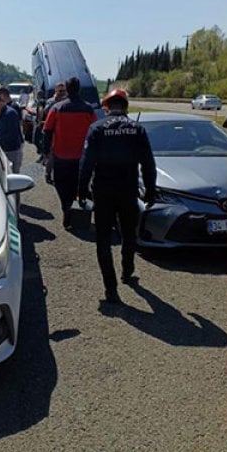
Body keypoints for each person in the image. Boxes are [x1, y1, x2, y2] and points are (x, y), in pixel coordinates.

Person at [78, 89, 156, 304]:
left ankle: (110, 289)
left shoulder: (96, 128)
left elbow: (86, 163)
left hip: (103, 191)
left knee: (103, 239)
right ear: (126, 106)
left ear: (106, 107)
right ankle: (127, 270)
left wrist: (81, 190)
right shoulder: (137, 129)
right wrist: (150, 190)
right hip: (128, 189)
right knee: (129, 232)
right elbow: (148, 163)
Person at [43, 76, 97, 229]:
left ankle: (66, 207)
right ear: (79, 89)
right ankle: (75, 203)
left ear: (66, 89)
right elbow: (95, 131)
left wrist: (46, 151)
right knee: (78, 184)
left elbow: (47, 130)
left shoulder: (57, 108)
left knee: (61, 184)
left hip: (61, 154)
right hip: (82, 157)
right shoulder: (88, 109)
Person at [0, 93, 25, 172]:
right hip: (2, 150)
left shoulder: (10, 113)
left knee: (13, 175)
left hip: (11, 150)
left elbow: (12, 134)